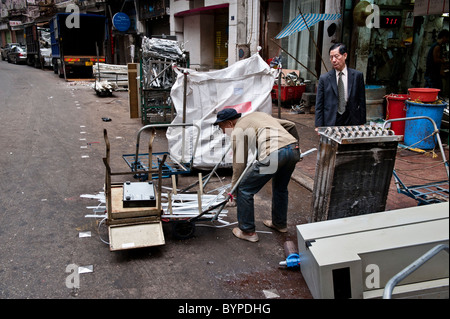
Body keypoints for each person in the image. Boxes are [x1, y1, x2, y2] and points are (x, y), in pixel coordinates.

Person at [214, 108, 301, 243]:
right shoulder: (258, 116)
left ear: (230, 123)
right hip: (293, 149)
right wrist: (295, 149)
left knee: (244, 188)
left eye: (221, 127)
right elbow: (291, 125)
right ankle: (280, 224)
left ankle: (247, 231)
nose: (223, 131)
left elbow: (239, 165)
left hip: (274, 155)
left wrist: (234, 191)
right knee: (280, 187)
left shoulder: (237, 130)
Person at [315, 43, 366, 128]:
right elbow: (319, 104)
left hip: (351, 118)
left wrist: (362, 122)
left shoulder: (357, 76)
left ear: (345, 55)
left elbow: (362, 101)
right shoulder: (324, 78)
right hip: (331, 119)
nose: (334, 60)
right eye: (331, 57)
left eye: (336, 56)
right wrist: (318, 125)